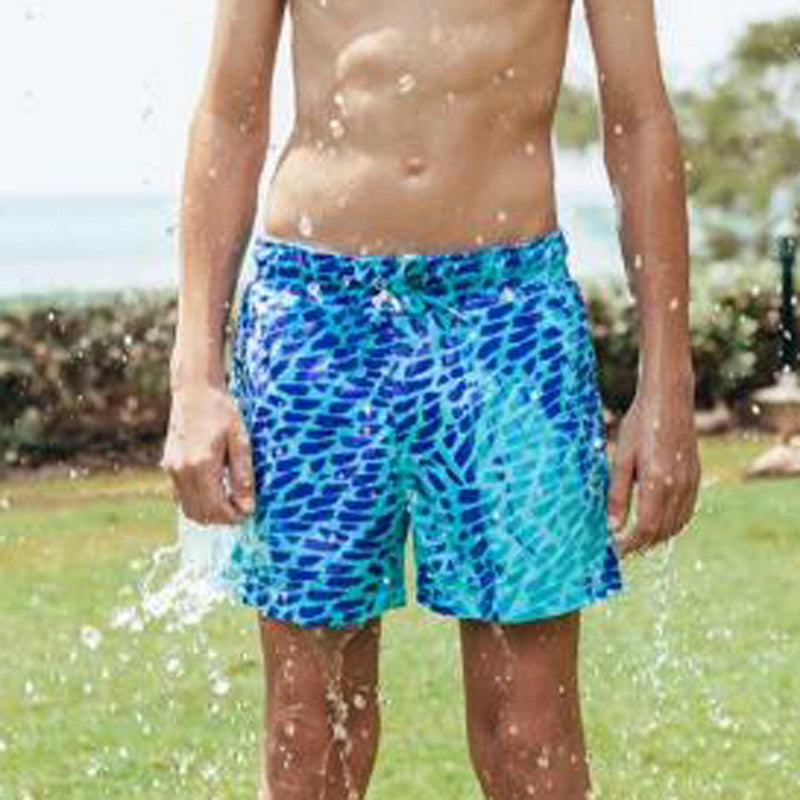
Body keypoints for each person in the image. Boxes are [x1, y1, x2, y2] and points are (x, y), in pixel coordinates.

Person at [160, 0, 701, 797]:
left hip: (508, 317)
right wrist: (195, 375)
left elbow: (640, 120)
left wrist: (668, 384)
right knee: (310, 732)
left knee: (530, 736)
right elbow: (229, 114)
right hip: (316, 317)